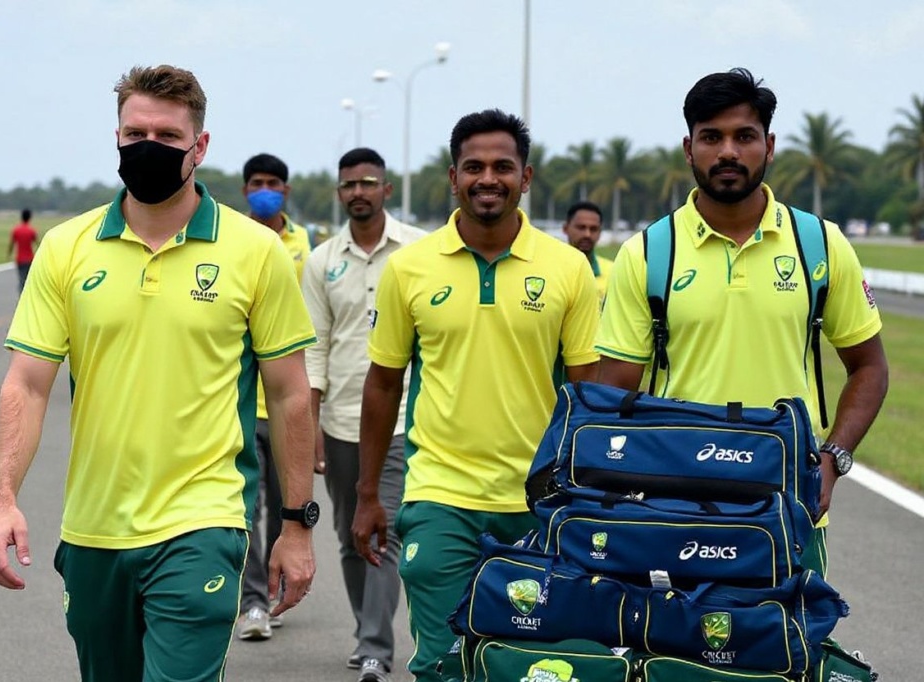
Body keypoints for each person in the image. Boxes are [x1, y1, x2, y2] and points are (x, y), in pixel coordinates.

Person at [0, 64, 319, 682]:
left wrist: (296, 525)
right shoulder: (67, 247)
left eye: (167, 136)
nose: (148, 147)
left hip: (204, 520)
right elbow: (26, 384)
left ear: (201, 146)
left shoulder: (254, 251)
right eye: (135, 133)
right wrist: (3, 500)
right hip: (94, 529)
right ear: (116, 136)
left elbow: (292, 396)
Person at [595, 67, 888, 577]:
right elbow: (615, 398)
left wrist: (833, 458)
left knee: (792, 653)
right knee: (673, 658)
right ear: (689, 149)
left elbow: (869, 366)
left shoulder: (819, 243)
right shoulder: (646, 253)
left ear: (769, 146)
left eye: (744, 136)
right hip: (676, 507)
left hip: (788, 505)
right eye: (711, 137)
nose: (727, 151)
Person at [352, 109, 601, 681]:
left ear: (527, 177)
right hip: (441, 495)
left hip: (541, 501)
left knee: (535, 665)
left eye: (502, 167)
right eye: (474, 167)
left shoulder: (568, 269)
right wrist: (368, 494)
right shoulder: (409, 269)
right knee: (443, 664)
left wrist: (589, 495)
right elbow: (383, 383)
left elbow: (588, 391)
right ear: (453, 177)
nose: (488, 178)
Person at [302, 147, 426, 682]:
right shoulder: (321, 261)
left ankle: (377, 647)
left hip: (400, 423)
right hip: (339, 422)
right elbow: (313, 351)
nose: (359, 191)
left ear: (387, 190)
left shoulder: (419, 252)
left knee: (386, 530)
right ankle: (365, 630)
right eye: (349, 184)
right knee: (350, 534)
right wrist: (308, 429)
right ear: (340, 192)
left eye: (368, 182)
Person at [236, 152, 315, 641]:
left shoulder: (308, 246)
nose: (264, 189)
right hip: (243, 405)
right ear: (246, 190)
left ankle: (277, 588)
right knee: (247, 509)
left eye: (273, 182)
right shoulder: (234, 242)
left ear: (285, 190)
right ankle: (252, 605)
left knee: (285, 509)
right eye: (256, 182)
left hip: (288, 404)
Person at [563, 200, 613, 302]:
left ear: (600, 232)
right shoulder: (552, 269)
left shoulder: (614, 272)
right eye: (581, 228)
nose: (587, 234)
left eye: (593, 229)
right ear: (566, 228)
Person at [7, 208, 38, 292]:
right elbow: (37, 244)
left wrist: (9, 254)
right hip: (30, 258)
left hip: (20, 259)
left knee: (21, 279)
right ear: (29, 217)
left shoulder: (16, 230)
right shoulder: (32, 230)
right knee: (29, 280)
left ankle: (21, 296)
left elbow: (11, 244)